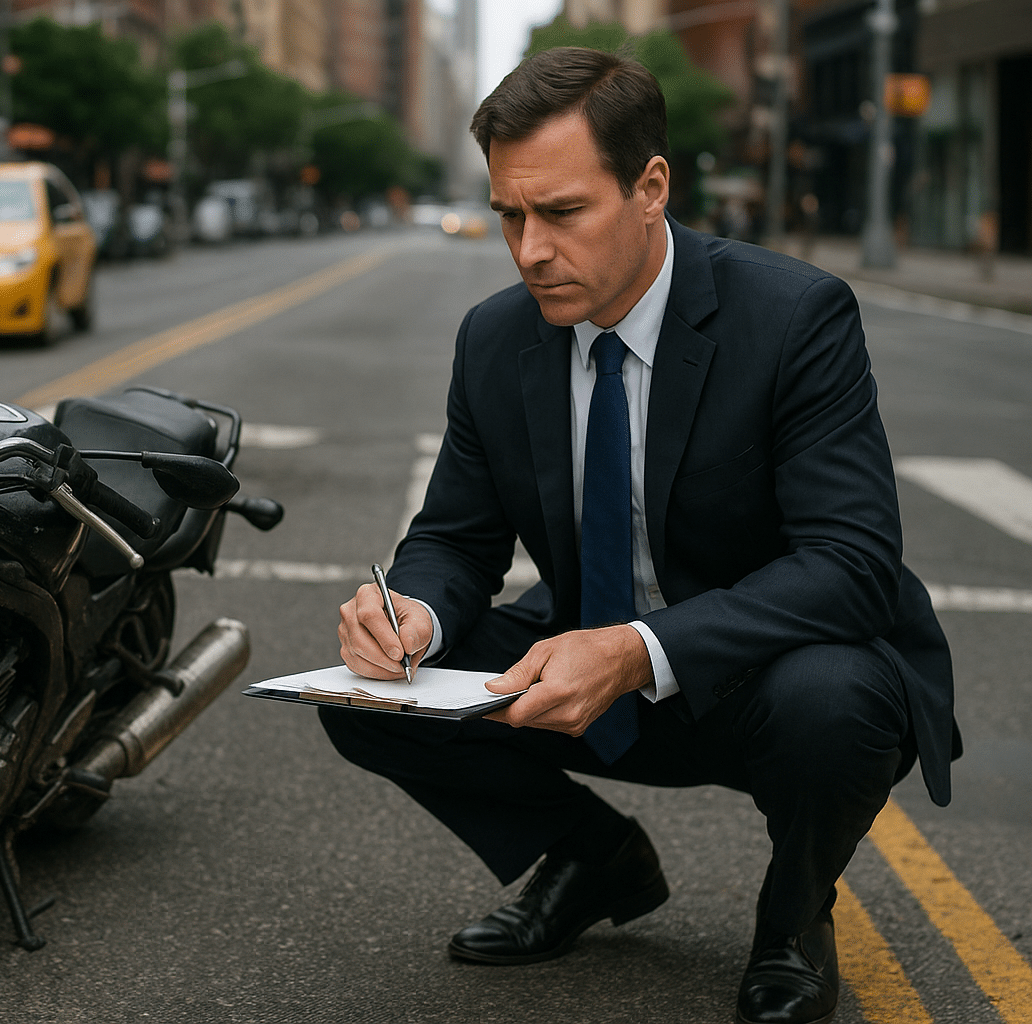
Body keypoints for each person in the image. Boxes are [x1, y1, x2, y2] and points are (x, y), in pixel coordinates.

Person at [321, 47, 956, 1024]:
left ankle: (794, 918)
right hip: (583, 669)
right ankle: (591, 859)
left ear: (650, 186)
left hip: (764, 679)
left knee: (839, 699)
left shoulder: (793, 317)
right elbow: (455, 536)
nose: (529, 248)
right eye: (509, 215)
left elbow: (854, 565)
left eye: (562, 212)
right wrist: (413, 613)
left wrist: (636, 650)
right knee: (366, 695)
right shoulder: (496, 338)